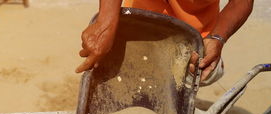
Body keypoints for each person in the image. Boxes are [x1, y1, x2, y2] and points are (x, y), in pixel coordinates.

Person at [76, 0, 253, 86]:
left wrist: (217, 38)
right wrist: (106, 21)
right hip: (138, 22)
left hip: (193, 37)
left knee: (201, 76)